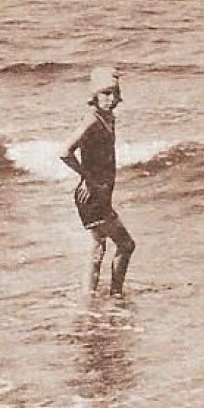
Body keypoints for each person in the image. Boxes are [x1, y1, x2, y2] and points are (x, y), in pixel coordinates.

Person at [60, 65, 136, 295]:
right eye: (105, 93)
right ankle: (116, 296)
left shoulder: (106, 117)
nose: (111, 98)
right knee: (126, 245)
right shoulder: (91, 120)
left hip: (100, 194)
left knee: (98, 246)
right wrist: (88, 176)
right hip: (93, 196)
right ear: (94, 94)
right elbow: (65, 151)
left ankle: (89, 298)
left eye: (114, 92)